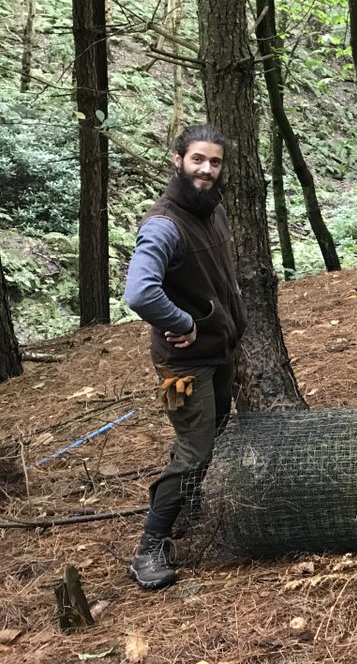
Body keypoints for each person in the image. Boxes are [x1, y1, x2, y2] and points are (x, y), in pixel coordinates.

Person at [123, 124, 247, 589]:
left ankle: (185, 502)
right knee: (195, 451)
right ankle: (151, 545)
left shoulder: (211, 210)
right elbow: (139, 291)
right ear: (178, 160)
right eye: (198, 160)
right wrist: (182, 322)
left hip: (219, 350)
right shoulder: (164, 224)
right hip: (187, 362)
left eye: (214, 162)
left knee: (207, 436)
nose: (207, 169)